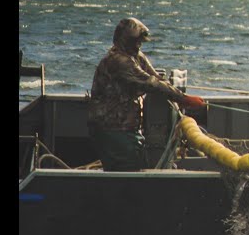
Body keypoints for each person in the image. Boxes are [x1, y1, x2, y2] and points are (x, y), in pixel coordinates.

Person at [88, 17, 206, 171]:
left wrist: (177, 96)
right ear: (126, 40)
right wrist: (185, 99)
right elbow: (150, 83)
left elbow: (156, 78)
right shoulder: (118, 61)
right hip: (112, 129)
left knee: (136, 164)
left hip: (128, 128)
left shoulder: (136, 56)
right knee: (127, 169)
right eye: (136, 41)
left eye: (141, 41)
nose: (139, 45)